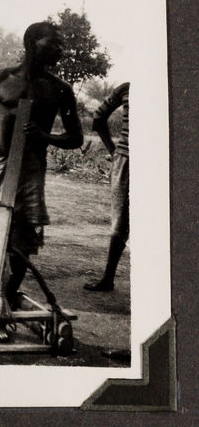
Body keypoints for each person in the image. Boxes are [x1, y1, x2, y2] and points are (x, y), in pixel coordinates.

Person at [0, 21, 83, 339]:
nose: (60, 50)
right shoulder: (1, 79)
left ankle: (5, 300)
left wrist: (45, 135)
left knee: (23, 239)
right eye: (54, 43)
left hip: (31, 166)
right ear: (32, 43)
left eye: (61, 45)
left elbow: (76, 137)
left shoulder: (60, 90)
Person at [84, 82, 130, 292]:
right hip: (127, 160)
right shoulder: (126, 88)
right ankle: (108, 278)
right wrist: (113, 150)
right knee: (121, 220)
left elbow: (98, 119)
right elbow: (98, 118)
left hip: (155, 160)